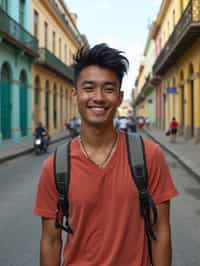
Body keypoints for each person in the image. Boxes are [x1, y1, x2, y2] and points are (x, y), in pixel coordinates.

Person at [33, 43, 178, 266]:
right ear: (75, 94)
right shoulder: (55, 166)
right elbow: (51, 241)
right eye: (89, 88)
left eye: (108, 89)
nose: (98, 97)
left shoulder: (149, 156)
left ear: (120, 98)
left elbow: (160, 229)